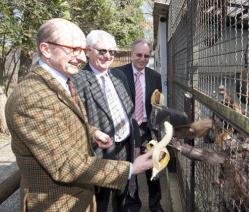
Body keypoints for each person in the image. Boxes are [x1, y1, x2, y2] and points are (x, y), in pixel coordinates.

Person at [5, 18, 153, 212]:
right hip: (56, 202)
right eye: (73, 49)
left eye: (82, 50)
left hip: (81, 194)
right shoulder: (31, 97)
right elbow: (65, 165)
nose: (82, 57)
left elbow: (64, 119)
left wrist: (91, 132)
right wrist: (131, 169)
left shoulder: (63, 81)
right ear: (46, 49)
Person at [71, 30, 141, 212]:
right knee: (100, 201)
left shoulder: (119, 76)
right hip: (99, 151)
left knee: (124, 196)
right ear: (88, 51)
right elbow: (74, 121)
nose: (108, 56)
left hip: (125, 147)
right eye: (102, 51)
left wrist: (136, 144)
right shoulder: (77, 80)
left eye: (112, 52)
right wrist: (93, 135)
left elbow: (130, 114)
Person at [117, 39, 164, 212]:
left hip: (145, 129)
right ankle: (132, 204)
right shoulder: (117, 74)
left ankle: (155, 204)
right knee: (130, 167)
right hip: (126, 130)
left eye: (146, 56)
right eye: (139, 55)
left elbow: (157, 105)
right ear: (131, 54)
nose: (142, 59)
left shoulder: (155, 77)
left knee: (154, 169)